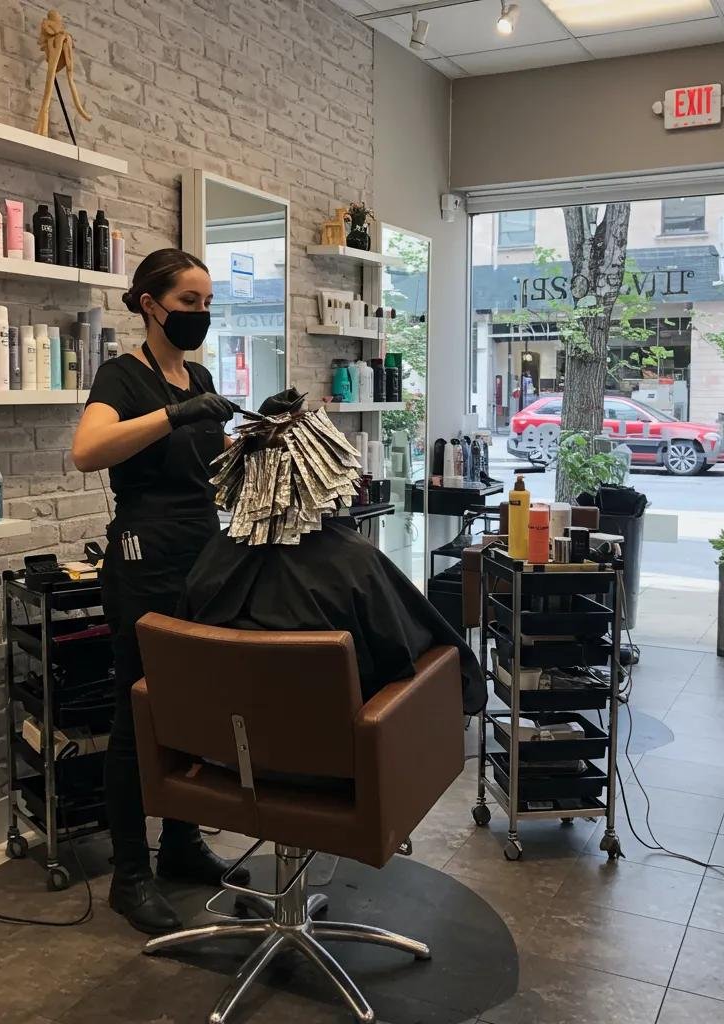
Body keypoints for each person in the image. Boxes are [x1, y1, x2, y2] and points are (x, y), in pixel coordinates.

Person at [71, 248, 249, 935]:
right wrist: (176, 416)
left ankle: (181, 842)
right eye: (189, 303)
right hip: (143, 559)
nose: (200, 315)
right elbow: (88, 451)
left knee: (196, 705)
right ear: (151, 304)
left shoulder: (197, 374)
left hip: (203, 553)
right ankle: (129, 874)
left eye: (207, 304)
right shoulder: (124, 375)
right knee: (138, 710)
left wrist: (256, 436)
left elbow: (209, 473)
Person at [180, 389, 487, 714]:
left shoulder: (215, 555)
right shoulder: (355, 562)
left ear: (248, 474)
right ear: (324, 470)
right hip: (340, 748)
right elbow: (406, 652)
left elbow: (187, 656)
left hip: (227, 744)